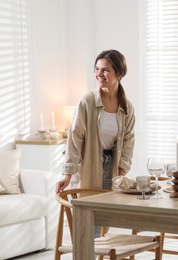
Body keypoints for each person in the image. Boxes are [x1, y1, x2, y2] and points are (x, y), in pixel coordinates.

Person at [55, 49, 135, 193]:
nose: (98, 74)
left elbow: (128, 143)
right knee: (88, 212)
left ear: (119, 74)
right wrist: (67, 175)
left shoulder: (127, 107)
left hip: (114, 172)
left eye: (105, 70)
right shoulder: (87, 102)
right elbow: (75, 140)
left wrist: (121, 175)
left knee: (110, 213)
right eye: (97, 69)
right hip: (89, 169)